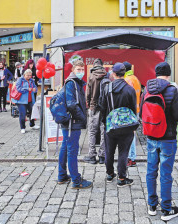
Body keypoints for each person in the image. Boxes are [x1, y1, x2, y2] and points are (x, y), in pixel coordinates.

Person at [141, 62, 178, 221]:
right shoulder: (172, 90)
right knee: (165, 174)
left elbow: (141, 113)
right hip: (168, 137)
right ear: (169, 74)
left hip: (151, 136)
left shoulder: (147, 89)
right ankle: (166, 209)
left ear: (156, 73)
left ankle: (152, 205)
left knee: (151, 171)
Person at [99, 63, 137, 187]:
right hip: (126, 126)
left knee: (109, 150)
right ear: (124, 73)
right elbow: (133, 109)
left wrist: (105, 123)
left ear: (113, 74)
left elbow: (102, 107)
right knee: (123, 151)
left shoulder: (107, 88)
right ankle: (121, 178)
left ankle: (109, 174)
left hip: (110, 125)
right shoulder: (130, 89)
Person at [58, 60, 93, 189]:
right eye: (78, 69)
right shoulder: (71, 83)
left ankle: (62, 176)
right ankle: (76, 181)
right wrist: (82, 117)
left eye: (82, 70)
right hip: (72, 122)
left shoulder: (74, 83)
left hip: (70, 121)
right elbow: (72, 104)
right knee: (72, 150)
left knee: (65, 148)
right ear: (73, 70)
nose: (81, 72)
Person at [84, 58, 106, 165]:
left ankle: (92, 155)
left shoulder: (91, 76)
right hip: (104, 108)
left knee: (92, 132)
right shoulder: (106, 76)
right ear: (101, 66)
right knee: (103, 132)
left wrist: (89, 104)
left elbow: (87, 93)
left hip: (93, 107)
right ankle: (102, 156)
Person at [123, 61, 141, 167]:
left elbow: (127, 97)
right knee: (131, 134)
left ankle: (131, 158)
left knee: (129, 135)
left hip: (130, 111)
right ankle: (131, 157)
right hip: (136, 109)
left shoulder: (127, 80)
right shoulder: (135, 78)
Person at [15, 69, 37, 133]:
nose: (29, 76)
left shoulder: (31, 80)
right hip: (21, 100)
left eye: (30, 75)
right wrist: (27, 89)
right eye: (27, 75)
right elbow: (18, 89)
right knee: (23, 113)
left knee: (32, 112)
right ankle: (22, 127)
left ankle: (32, 124)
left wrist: (34, 89)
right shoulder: (20, 80)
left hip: (30, 99)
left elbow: (35, 88)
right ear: (24, 74)